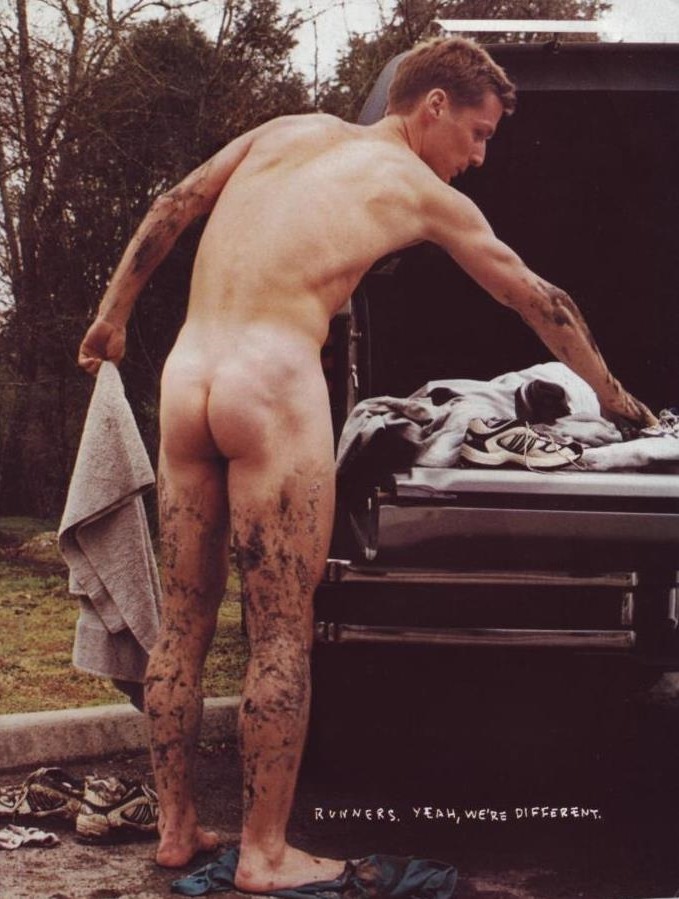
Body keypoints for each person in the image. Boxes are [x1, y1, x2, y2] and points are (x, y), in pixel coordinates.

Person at [78, 36, 656, 891]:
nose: (478, 157)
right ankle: (265, 854)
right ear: (433, 106)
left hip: (189, 377)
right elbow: (539, 298)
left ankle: (176, 829)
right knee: (280, 630)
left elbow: (176, 203)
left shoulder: (284, 131)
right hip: (271, 385)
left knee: (185, 621)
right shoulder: (417, 189)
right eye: (478, 133)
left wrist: (112, 317)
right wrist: (613, 397)